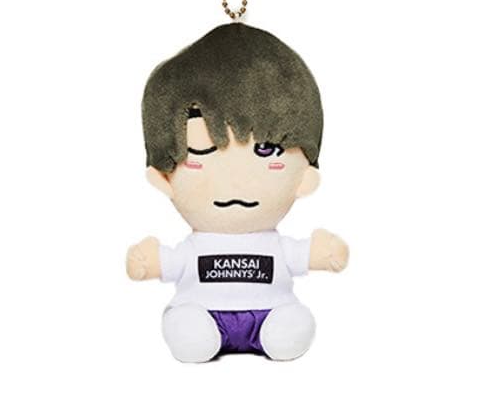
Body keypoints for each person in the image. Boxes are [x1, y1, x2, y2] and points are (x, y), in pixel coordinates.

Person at [127, 23, 349, 362]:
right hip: (200, 310)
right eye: (201, 152)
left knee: (290, 326)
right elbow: (172, 262)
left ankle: (282, 331)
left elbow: (300, 255)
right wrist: (152, 262)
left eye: (266, 151)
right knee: (189, 330)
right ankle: (194, 332)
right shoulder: (194, 248)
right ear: (164, 178)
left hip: (271, 312)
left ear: (304, 179)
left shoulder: (276, 246)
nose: (236, 181)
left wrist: (320, 253)